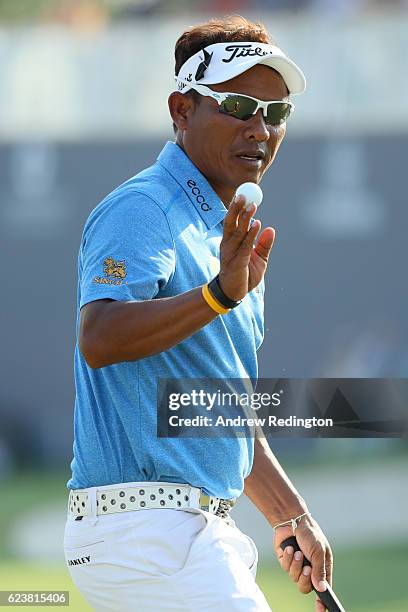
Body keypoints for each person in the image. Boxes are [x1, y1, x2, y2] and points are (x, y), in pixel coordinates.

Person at [64, 15, 333, 612]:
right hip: (143, 531)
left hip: (190, 532)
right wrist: (217, 295)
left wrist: (291, 514)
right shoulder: (143, 207)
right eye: (239, 104)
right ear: (181, 109)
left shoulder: (229, 241)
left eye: (277, 112)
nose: (260, 128)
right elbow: (100, 336)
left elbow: (218, 406)